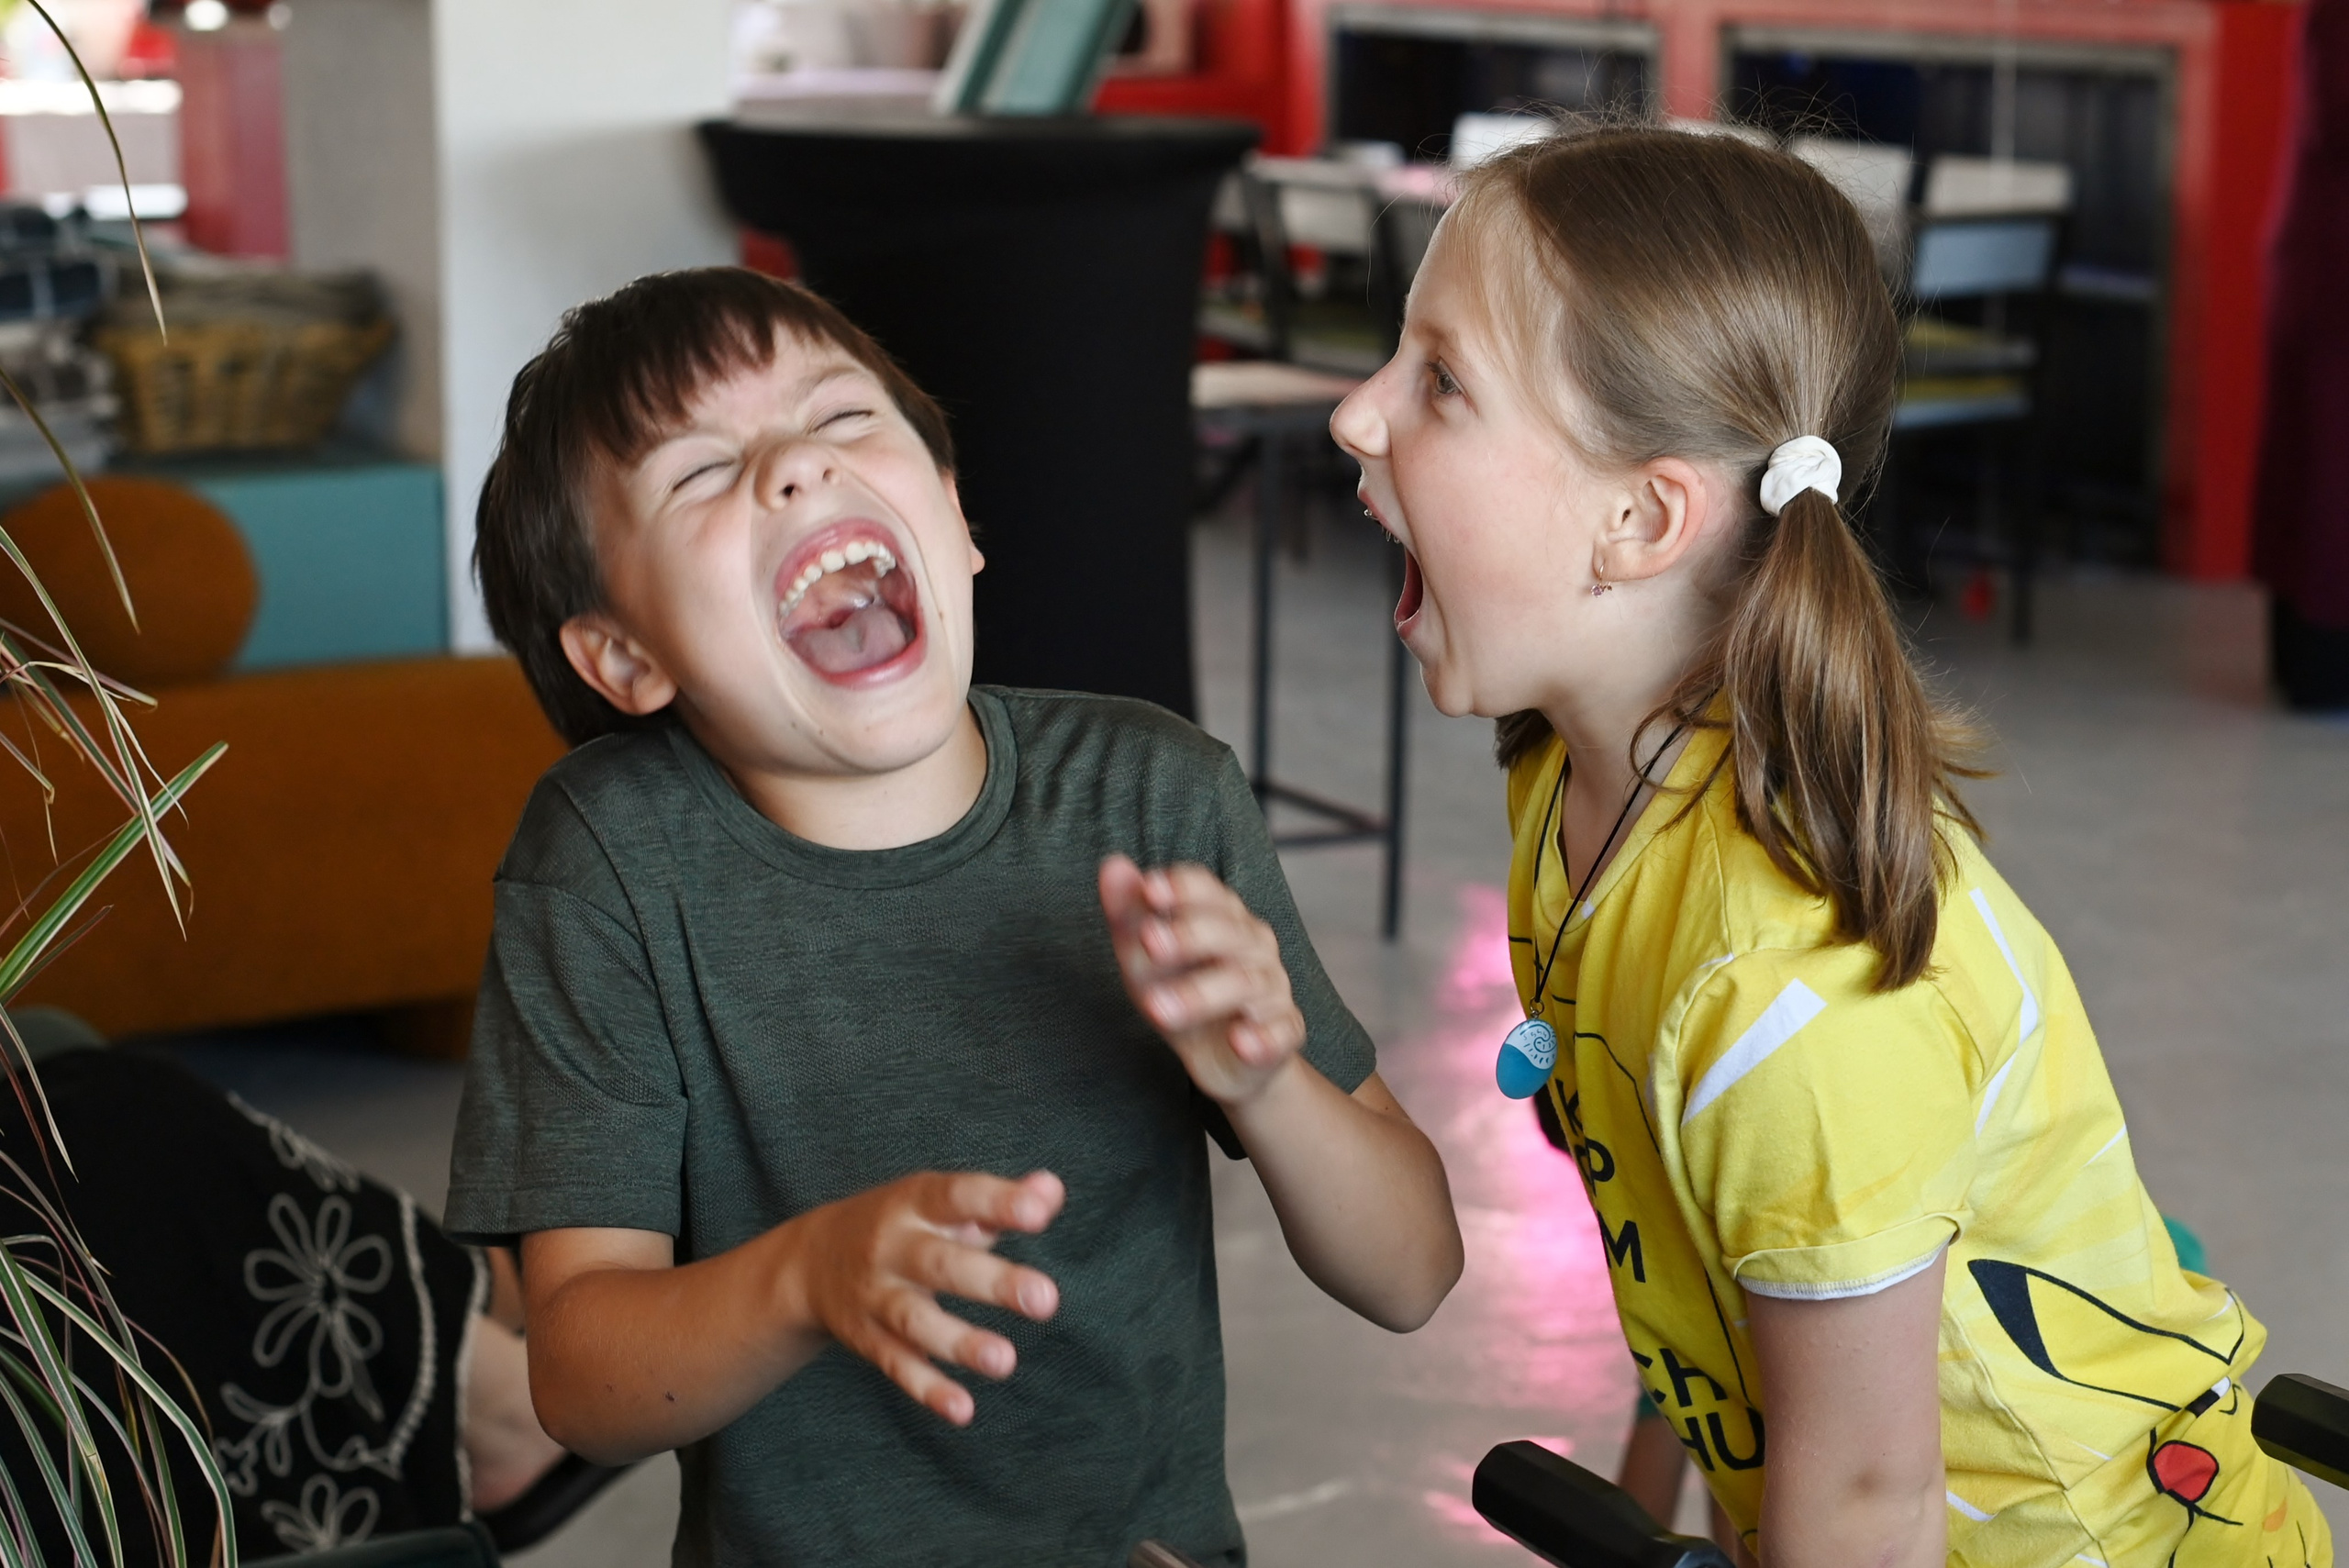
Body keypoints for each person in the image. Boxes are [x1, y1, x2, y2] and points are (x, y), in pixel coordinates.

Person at [1331, 126, 2332, 1568]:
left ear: (1640, 516)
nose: (1356, 416)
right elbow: (1705, 1238)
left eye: (1439, 379)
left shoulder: (1791, 995)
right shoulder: (1572, 788)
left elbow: (1867, 1506)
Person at [444, 268, 1463, 1568]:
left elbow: (1414, 1268)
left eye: (841, 419)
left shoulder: (1152, 793)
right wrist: (805, 1279)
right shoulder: (609, 862)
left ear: (957, 516)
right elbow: (578, 1378)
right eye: (702, 474)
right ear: (624, 657)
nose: (797, 470)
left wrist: (1270, 1082)